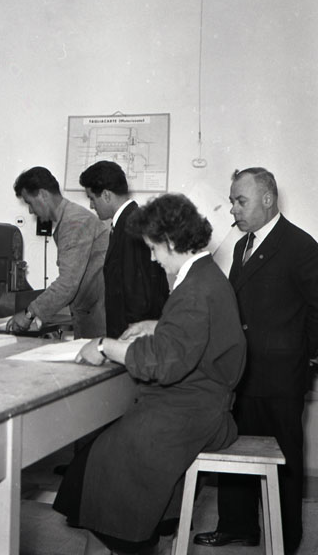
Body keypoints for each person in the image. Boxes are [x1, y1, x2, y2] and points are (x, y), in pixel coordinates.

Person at [53, 193, 246, 555]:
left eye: (154, 249)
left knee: (104, 459)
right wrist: (158, 325)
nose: (154, 259)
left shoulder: (194, 290)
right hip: (202, 406)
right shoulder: (205, 276)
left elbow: (165, 363)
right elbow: (197, 334)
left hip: (191, 412)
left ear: (171, 241)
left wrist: (104, 346)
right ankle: (148, 530)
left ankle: (125, 539)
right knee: (97, 461)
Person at [194, 168, 318, 554]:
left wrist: (308, 360)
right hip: (241, 372)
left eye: (240, 201)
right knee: (236, 450)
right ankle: (237, 527)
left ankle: (287, 537)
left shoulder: (300, 246)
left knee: (284, 460)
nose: (233, 209)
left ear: (267, 199)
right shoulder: (241, 246)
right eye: (232, 200)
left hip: (281, 377)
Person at [7, 166, 108, 338]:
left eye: (29, 202)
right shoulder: (71, 218)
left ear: (43, 194)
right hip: (91, 315)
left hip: (99, 321)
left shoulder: (74, 222)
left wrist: (29, 314)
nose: (31, 211)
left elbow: (67, 284)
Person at [79, 160, 168, 338]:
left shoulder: (131, 226)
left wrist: (129, 341)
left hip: (132, 335)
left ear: (106, 195)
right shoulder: (128, 221)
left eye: (92, 198)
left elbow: (138, 294)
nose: (91, 206)